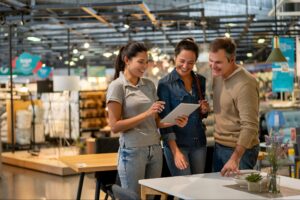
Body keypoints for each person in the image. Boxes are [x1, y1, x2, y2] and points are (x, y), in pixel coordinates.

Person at [106, 41, 188, 195]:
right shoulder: (117, 86)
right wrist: (147, 113)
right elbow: (115, 126)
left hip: (155, 150)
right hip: (132, 152)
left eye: (146, 62)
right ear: (127, 60)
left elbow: (155, 121)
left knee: (151, 197)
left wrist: (174, 121)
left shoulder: (149, 85)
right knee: (133, 197)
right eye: (140, 62)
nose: (144, 66)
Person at [157, 38, 209, 176]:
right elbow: (164, 123)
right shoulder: (165, 84)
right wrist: (175, 152)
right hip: (177, 145)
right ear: (175, 58)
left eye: (191, 62)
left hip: (199, 143)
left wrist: (204, 110)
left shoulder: (200, 81)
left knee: (198, 188)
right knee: (183, 190)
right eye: (182, 61)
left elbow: (200, 115)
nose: (186, 66)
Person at [208, 37, 260, 176]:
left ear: (232, 59)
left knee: (240, 195)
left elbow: (250, 126)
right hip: (219, 146)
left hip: (240, 152)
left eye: (218, 62)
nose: (213, 66)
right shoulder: (218, 76)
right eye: (211, 61)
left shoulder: (245, 84)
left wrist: (235, 158)